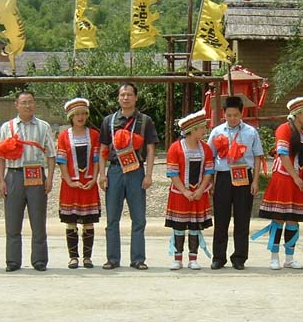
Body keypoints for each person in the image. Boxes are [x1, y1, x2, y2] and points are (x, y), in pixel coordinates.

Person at [98, 82, 158, 270]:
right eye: (122, 95)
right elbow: (103, 149)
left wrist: (149, 175)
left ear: (136, 97)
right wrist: (102, 174)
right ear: (118, 98)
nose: (126, 98)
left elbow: (150, 148)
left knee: (139, 219)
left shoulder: (145, 121)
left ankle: (138, 259)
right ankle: (112, 259)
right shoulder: (109, 121)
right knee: (112, 218)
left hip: (136, 171)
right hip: (115, 171)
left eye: (129, 94)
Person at [0, 91, 56, 272]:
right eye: (24, 102)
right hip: (14, 175)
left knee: (38, 220)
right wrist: (1, 180)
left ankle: (39, 260)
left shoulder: (43, 126)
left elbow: (51, 154)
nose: (27, 105)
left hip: (36, 175)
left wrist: (49, 178)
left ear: (35, 104)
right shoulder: (7, 127)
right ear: (16, 105)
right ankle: (13, 261)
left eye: (30, 102)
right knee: (12, 221)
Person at [253, 96, 303, 270]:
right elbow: (283, 154)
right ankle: (274, 257)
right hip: (283, 179)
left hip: (299, 181)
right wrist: (295, 177)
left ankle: (289, 258)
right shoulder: (284, 129)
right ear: (297, 113)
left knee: (294, 220)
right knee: (279, 219)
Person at [207, 95, 264, 270]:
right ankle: (218, 257)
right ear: (223, 114)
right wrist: (211, 182)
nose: (232, 119)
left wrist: (255, 181)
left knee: (242, 219)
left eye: (236, 115)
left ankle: (239, 258)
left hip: (244, 177)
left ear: (242, 113)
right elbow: (210, 157)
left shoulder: (251, 132)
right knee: (221, 219)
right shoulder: (217, 132)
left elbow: (257, 157)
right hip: (223, 177)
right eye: (229, 115)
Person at [165, 109, 215, 270]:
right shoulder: (175, 148)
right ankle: (177, 258)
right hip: (180, 194)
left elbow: (208, 171)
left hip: (198, 194)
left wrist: (200, 190)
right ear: (193, 130)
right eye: (202, 128)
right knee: (179, 227)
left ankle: (193, 258)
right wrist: (185, 191)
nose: (204, 131)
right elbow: (173, 173)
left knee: (195, 226)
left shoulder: (206, 149)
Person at [56, 98, 101, 269]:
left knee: (88, 222)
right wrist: (68, 180)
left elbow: (97, 159)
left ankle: (87, 257)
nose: (80, 117)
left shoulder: (94, 135)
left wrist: (94, 178)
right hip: (71, 185)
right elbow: (62, 160)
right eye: (77, 114)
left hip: (88, 184)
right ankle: (73, 257)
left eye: (83, 114)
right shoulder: (63, 136)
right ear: (71, 117)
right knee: (71, 222)